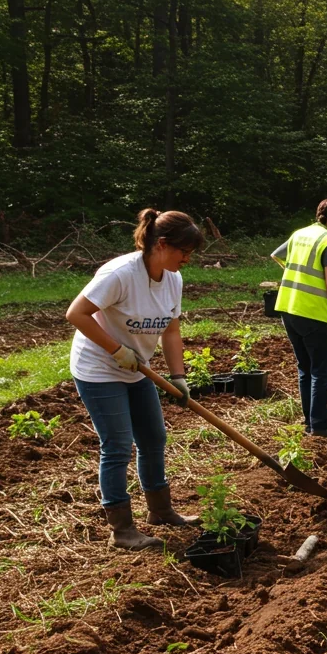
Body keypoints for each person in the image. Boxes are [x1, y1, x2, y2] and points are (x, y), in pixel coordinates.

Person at [66, 208, 203, 550]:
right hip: (99, 368)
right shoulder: (120, 274)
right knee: (117, 446)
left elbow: (171, 331)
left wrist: (178, 376)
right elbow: (76, 313)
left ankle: (161, 510)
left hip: (137, 367)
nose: (187, 258)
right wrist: (115, 350)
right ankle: (122, 530)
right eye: (183, 251)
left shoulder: (173, 278)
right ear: (161, 244)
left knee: (154, 438)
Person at [271, 198, 327, 440]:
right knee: (322, 370)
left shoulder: (300, 234)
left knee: (305, 368)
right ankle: (320, 425)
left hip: (288, 308)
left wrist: (297, 277)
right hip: (313, 313)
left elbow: (276, 255)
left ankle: (312, 418)